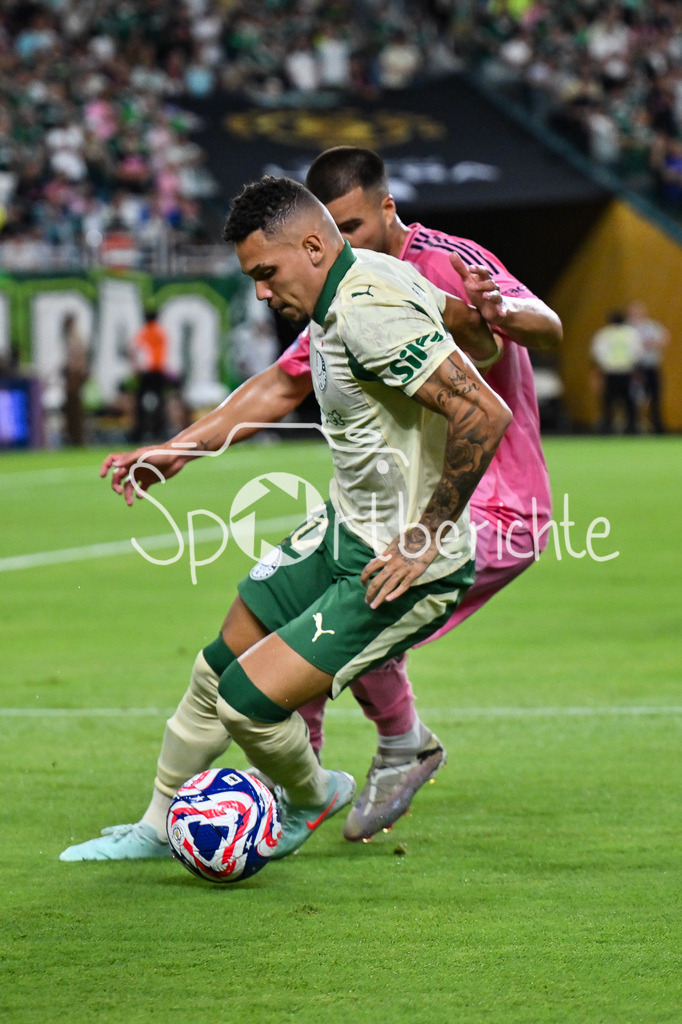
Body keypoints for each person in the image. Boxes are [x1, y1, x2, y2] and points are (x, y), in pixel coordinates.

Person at [61, 148, 561, 862]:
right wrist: (181, 449)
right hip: (346, 528)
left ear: (316, 244)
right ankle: (155, 823)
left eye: (265, 274)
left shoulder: (368, 310)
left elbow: (484, 412)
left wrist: (422, 538)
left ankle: (315, 789)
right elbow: (453, 328)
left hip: (411, 552)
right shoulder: (348, 291)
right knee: (217, 667)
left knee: (250, 698)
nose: (261, 292)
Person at [590, 310, 640, 434]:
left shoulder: (604, 334)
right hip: (626, 371)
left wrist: (599, 371)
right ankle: (631, 426)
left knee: (608, 401)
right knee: (629, 401)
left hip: (610, 372)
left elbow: (597, 352)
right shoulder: (631, 333)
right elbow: (637, 352)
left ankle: (608, 426)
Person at [627, 301, 668, 434]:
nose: (636, 314)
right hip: (633, 368)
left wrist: (647, 343)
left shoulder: (652, 326)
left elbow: (664, 340)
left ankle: (657, 427)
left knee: (655, 397)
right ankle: (632, 426)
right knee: (633, 398)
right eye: (633, 311)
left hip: (650, 366)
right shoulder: (626, 328)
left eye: (639, 311)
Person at [130, 310, 170, 442]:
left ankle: (139, 432)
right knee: (160, 402)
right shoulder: (160, 332)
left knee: (140, 404)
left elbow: (135, 351)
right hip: (158, 371)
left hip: (146, 373)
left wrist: (136, 368)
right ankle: (160, 430)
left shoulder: (144, 332)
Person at [61, 313, 89, 447]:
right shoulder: (71, 338)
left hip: (74, 376)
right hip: (72, 375)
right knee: (71, 408)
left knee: (75, 407)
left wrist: (75, 373)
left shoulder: (75, 337)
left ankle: (77, 438)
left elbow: (78, 359)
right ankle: (73, 436)